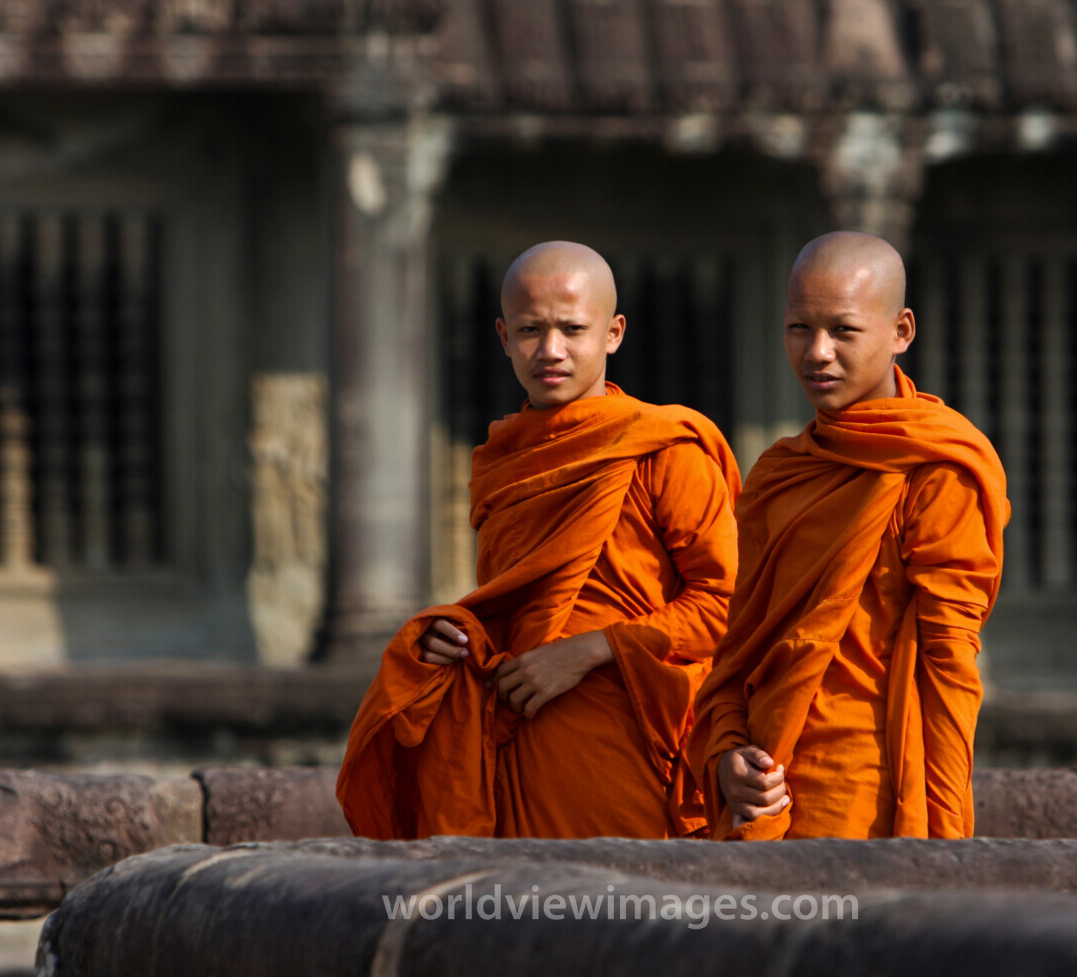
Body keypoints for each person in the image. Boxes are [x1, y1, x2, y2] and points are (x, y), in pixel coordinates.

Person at [338, 240, 740, 839]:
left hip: (633, 745)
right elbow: (517, 610)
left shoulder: (666, 452)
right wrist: (456, 638)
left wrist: (591, 650)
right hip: (520, 740)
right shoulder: (505, 462)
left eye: (572, 329)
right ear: (503, 336)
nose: (550, 351)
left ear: (614, 333)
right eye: (530, 330)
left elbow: (726, 607)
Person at [689, 231, 1009, 840]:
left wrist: (943, 837)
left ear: (901, 332)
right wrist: (727, 751)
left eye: (843, 330)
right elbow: (738, 647)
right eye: (798, 328)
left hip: (868, 794)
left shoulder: (939, 466)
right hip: (765, 784)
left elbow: (948, 669)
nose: (817, 352)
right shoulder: (779, 475)